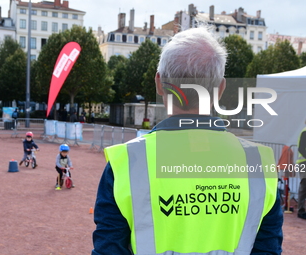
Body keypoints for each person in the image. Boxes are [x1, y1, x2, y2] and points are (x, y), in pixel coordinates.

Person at [92, 27, 283, 255]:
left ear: (159, 84)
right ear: (221, 88)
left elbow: (109, 249)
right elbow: (267, 249)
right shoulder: (259, 164)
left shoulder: (126, 163)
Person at [296, 123, 306, 219]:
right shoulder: (305, 132)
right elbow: (301, 148)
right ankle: (301, 210)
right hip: (304, 162)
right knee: (304, 185)